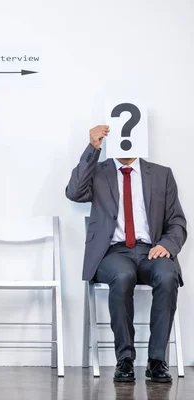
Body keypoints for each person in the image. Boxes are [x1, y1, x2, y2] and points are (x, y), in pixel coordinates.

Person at [66, 125, 187, 383]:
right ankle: (125, 359)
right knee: (122, 276)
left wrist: (166, 244)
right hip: (113, 252)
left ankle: (156, 361)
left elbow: (177, 221)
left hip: (150, 250)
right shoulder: (99, 172)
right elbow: (74, 192)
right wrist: (92, 148)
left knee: (168, 276)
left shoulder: (162, 175)